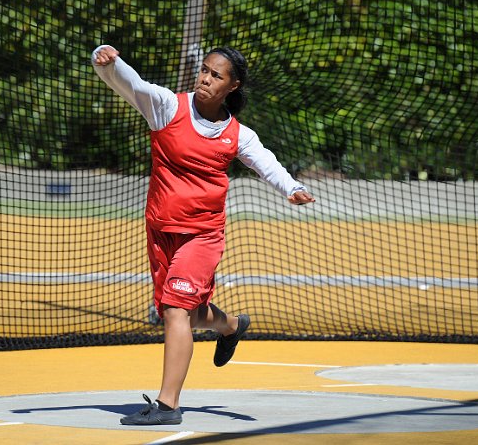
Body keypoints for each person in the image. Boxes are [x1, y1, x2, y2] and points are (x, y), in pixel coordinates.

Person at [91, 44, 315, 426]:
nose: (206, 79)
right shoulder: (167, 106)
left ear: (233, 85)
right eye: (205, 71)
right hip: (161, 230)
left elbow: (264, 160)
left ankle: (167, 405)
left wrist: (289, 187)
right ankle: (230, 326)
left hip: (203, 235)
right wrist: (108, 61)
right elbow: (131, 84)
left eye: (217, 75)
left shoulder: (237, 134)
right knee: (184, 313)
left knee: (176, 310)